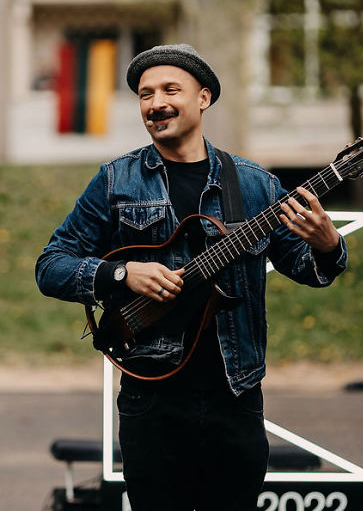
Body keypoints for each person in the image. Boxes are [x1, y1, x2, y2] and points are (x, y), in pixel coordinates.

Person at [35, 44, 347, 510]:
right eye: (145, 94)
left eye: (169, 90)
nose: (155, 103)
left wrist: (326, 244)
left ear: (203, 98)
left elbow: (305, 268)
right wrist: (122, 274)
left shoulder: (255, 183)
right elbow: (51, 265)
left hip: (235, 395)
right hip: (152, 398)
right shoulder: (116, 181)